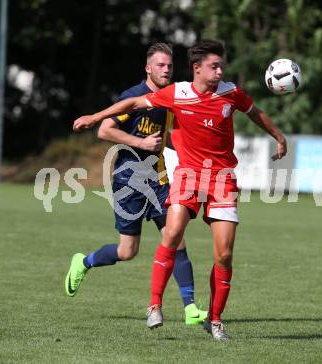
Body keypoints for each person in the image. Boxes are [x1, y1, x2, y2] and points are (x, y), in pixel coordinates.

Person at [73, 40, 287, 340]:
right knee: (169, 235)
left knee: (224, 255)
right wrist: (95, 117)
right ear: (197, 68)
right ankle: (155, 306)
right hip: (184, 176)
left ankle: (214, 320)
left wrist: (279, 137)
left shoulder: (231, 93)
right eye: (215, 66)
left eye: (222, 66)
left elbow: (255, 112)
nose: (220, 71)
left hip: (222, 179)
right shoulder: (177, 94)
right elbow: (132, 104)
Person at [66, 42, 207, 326]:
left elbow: (166, 136)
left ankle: (190, 307)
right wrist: (140, 142)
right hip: (128, 181)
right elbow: (105, 130)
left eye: (169, 65)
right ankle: (83, 262)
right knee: (127, 251)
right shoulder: (133, 97)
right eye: (161, 65)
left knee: (176, 238)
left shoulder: (171, 98)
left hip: (160, 180)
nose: (166, 70)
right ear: (148, 68)